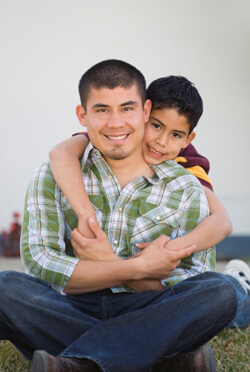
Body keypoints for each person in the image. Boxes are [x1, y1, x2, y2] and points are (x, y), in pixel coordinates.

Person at [0, 60, 237, 372]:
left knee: (219, 291)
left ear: (144, 110)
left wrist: (108, 263)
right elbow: (42, 263)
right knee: (7, 287)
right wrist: (136, 267)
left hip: (150, 307)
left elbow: (191, 279)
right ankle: (162, 360)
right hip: (71, 305)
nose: (115, 123)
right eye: (102, 110)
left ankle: (79, 365)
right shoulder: (56, 172)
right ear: (82, 115)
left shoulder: (185, 186)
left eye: (127, 108)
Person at [49, 74, 250, 329]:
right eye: (155, 125)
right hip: (120, 283)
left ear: (187, 138)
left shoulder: (185, 164)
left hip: (160, 280)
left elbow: (221, 222)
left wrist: (162, 254)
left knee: (221, 301)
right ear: (142, 115)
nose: (161, 141)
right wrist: (86, 217)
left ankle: (240, 285)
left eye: (175, 133)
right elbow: (60, 153)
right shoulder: (116, 136)